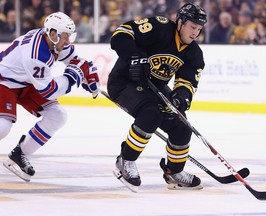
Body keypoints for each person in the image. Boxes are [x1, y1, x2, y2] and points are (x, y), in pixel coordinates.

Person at [107, 2, 207, 192]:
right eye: (192, 27)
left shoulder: (194, 53)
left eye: (199, 29)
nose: (195, 33)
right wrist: (134, 56)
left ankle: (174, 172)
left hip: (154, 87)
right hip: (124, 82)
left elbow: (187, 84)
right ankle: (125, 161)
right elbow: (122, 33)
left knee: (182, 124)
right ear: (180, 22)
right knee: (150, 113)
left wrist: (179, 98)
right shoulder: (160, 27)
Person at [0, 11, 100, 182]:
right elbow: (49, 90)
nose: (68, 41)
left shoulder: (53, 41)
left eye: (70, 36)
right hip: (4, 82)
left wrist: (86, 72)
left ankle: (20, 154)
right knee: (3, 126)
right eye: (65, 37)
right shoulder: (35, 54)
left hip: (26, 83)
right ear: (53, 34)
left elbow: (75, 59)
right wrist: (73, 76)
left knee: (57, 115)